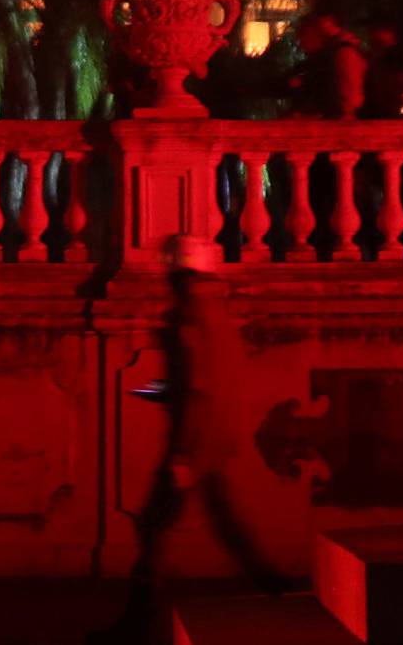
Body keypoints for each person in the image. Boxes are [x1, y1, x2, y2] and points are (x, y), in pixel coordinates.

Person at [94, 238, 288, 642]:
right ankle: (276, 586)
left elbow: (199, 385)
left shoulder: (189, 315)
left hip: (195, 440)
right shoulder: (215, 308)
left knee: (153, 526)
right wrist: (160, 392)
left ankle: (134, 626)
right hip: (214, 435)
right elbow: (206, 378)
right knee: (226, 523)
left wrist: (184, 454)